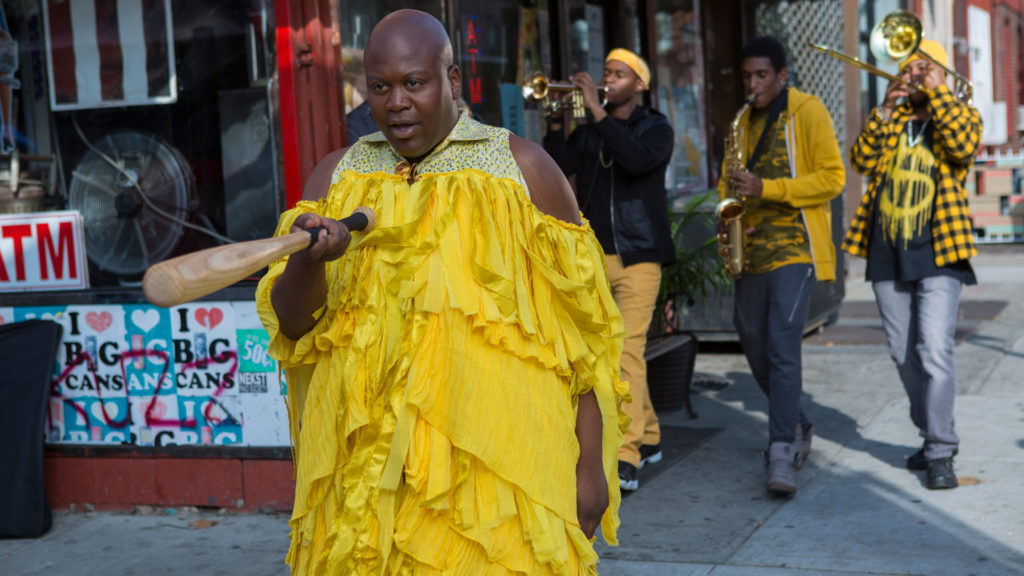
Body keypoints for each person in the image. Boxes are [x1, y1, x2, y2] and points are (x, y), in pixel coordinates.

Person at [256, 10, 626, 575]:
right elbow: (290, 325)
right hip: (368, 490)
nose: (396, 102)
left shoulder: (524, 172)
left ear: (452, 81)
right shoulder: (336, 178)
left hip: (499, 484)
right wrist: (311, 262)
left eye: (415, 83)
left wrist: (590, 468)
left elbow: (585, 331)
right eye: (380, 87)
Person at [842, 39, 981, 490]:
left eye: (925, 66)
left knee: (934, 352)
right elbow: (860, 160)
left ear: (940, 71)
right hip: (887, 251)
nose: (916, 74)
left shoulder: (958, 112)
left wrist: (939, 92)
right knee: (904, 354)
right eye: (910, 67)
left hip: (940, 250)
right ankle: (932, 434)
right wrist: (884, 108)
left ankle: (941, 450)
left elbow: (962, 148)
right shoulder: (894, 117)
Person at [542, 49, 676, 493]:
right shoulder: (590, 131)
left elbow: (637, 161)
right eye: (606, 74)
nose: (609, 79)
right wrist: (557, 120)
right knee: (614, 351)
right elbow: (559, 168)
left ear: (639, 85)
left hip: (640, 256)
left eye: (619, 75)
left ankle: (628, 453)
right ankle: (652, 435)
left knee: (628, 351)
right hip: (599, 254)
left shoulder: (656, 127)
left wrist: (597, 113)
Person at [718, 37, 844, 496]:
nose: (752, 84)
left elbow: (833, 178)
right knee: (752, 341)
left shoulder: (807, 111)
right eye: (747, 76)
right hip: (750, 251)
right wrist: (728, 217)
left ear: (782, 75)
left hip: (796, 251)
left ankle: (781, 451)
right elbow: (727, 182)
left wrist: (766, 189)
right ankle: (796, 422)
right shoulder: (743, 121)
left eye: (761, 76)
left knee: (782, 346)